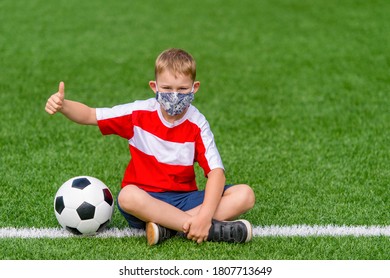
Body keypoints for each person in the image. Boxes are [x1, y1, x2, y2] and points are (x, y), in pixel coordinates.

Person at [45, 48, 255, 245]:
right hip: (145, 202)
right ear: (154, 87)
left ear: (194, 88)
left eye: (182, 89)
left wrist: (205, 215)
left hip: (184, 198)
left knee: (244, 195)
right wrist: (64, 106)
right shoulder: (138, 114)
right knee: (127, 196)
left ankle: (169, 228)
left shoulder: (197, 124)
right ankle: (204, 228)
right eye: (166, 88)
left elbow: (216, 173)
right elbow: (91, 115)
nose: (174, 95)